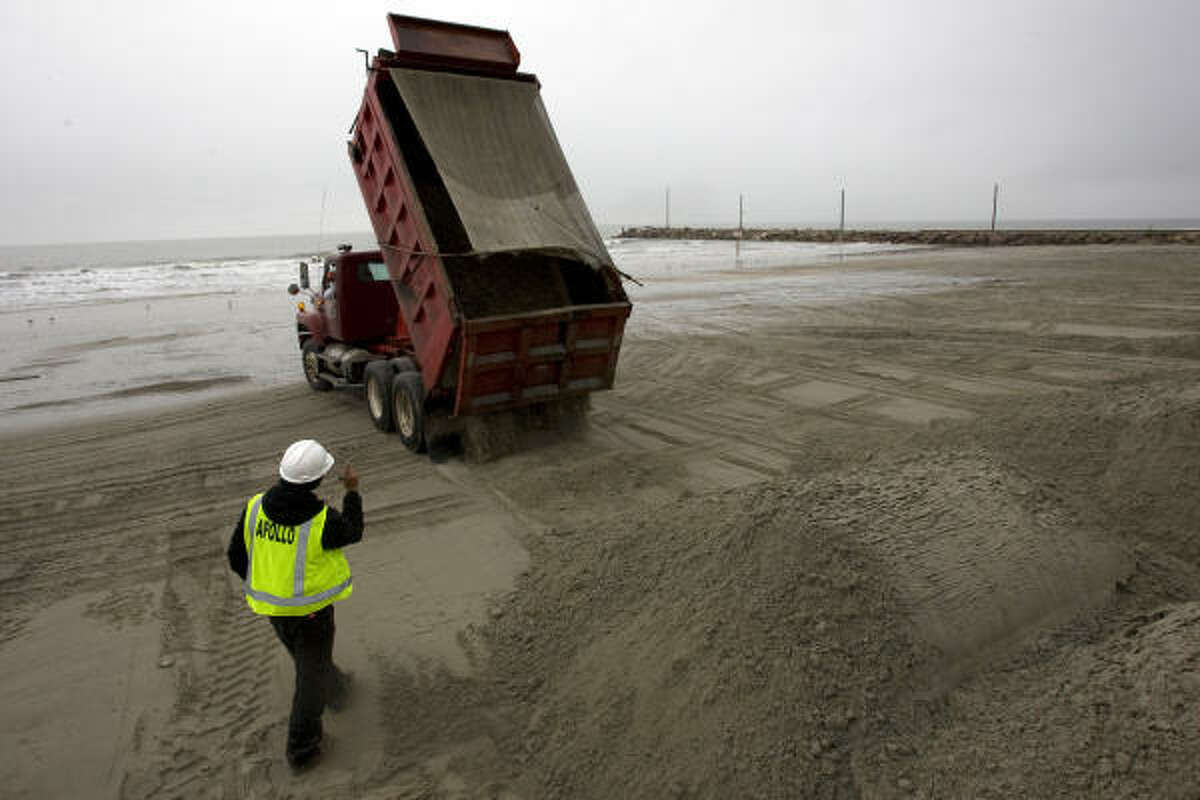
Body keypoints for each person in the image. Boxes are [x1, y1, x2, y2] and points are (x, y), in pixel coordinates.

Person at [226, 439, 364, 770]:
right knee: (309, 679)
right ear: (317, 480)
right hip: (311, 613)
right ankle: (301, 750)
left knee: (310, 662)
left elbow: (235, 555)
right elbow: (353, 531)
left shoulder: (255, 507)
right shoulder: (322, 520)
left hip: (274, 611)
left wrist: (267, 583)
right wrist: (352, 492)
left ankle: (339, 691)